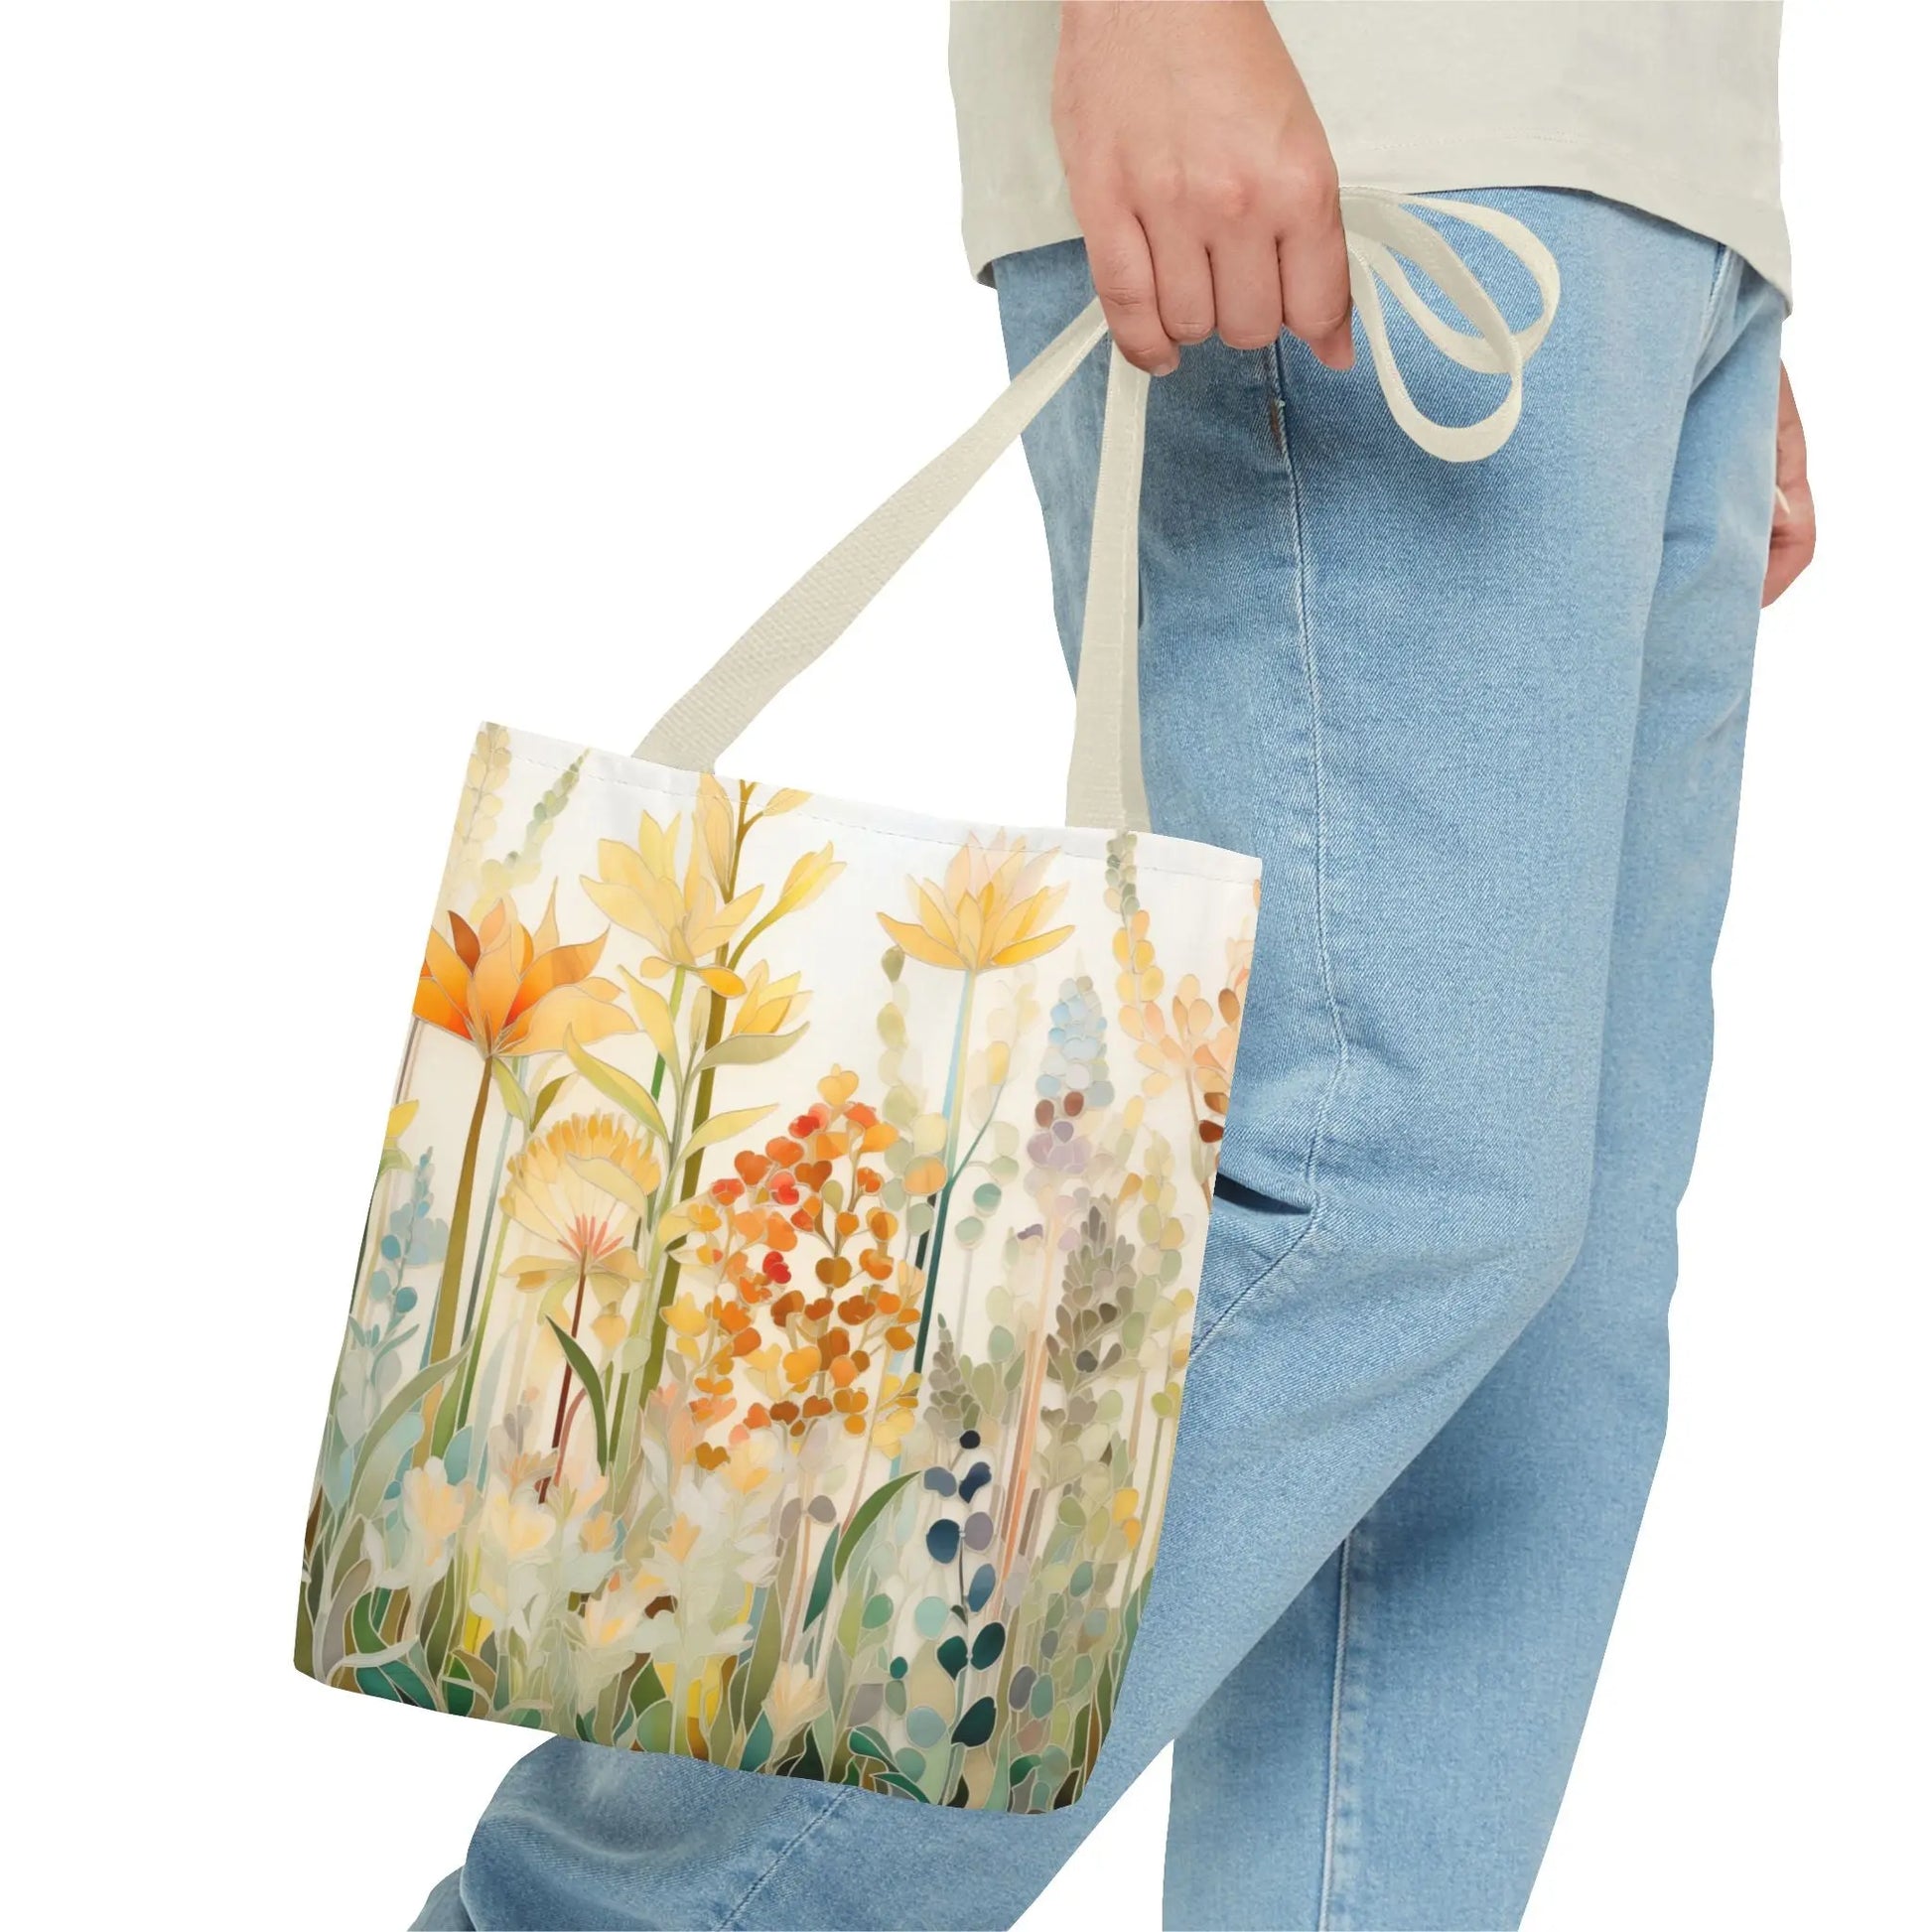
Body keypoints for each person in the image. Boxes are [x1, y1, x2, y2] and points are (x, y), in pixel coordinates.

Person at [416, 4, 1814, 1926]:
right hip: (1365, 113)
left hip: (1636, 187)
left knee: (1532, 1352)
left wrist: (1697, 234)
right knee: (1373, 1192)